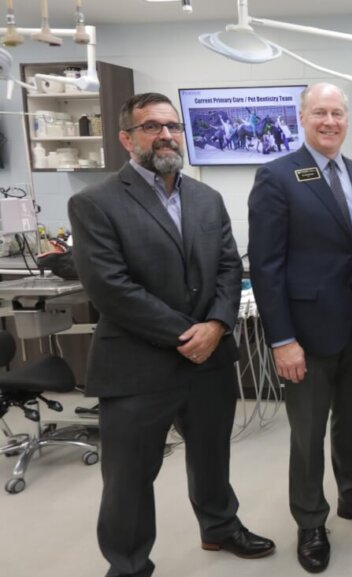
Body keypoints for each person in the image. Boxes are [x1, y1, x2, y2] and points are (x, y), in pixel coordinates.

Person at [68, 92, 275, 577]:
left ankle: (219, 527)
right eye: (150, 127)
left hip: (209, 362)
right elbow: (110, 288)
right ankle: (129, 563)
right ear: (126, 139)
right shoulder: (95, 203)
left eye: (172, 126)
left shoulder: (206, 199)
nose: (165, 135)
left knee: (211, 457)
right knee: (129, 478)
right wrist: (190, 333)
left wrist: (219, 324)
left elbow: (229, 266)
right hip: (138, 365)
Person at [248, 83, 352, 575]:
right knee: (307, 434)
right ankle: (311, 520)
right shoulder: (277, 176)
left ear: (347, 120)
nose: (329, 121)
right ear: (301, 118)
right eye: (320, 113)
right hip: (306, 333)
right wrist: (282, 339)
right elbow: (266, 266)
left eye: (337, 113)